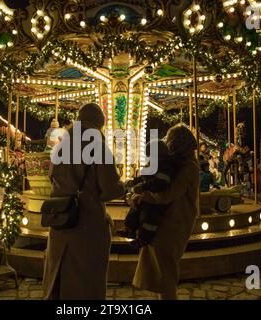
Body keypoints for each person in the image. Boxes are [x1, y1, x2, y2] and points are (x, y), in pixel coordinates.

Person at [43, 103, 125, 300]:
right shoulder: (98, 147)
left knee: (59, 280)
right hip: (86, 224)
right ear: (99, 124)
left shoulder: (61, 146)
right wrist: (124, 185)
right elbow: (110, 189)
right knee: (85, 284)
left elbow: (52, 177)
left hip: (61, 221)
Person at [129, 125, 199, 300]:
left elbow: (167, 195)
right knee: (162, 269)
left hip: (174, 223)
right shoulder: (182, 165)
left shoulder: (188, 168)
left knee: (166, 270)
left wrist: (142, 195)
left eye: (170, 140)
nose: (167, 144)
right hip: (169, 221)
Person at [117, 139, 177, 249]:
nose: (150, 159)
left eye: (151, 156)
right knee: (134, 208)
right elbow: (144, 176)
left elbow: (160, 183)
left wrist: (144, 186)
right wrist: (134, 181)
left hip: (157, 199)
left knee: (150, 218)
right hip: (148, 195)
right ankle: (129, 229)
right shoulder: (154, 163)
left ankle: (143, 239)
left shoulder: (166, 167)